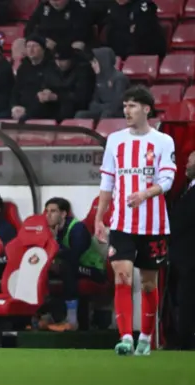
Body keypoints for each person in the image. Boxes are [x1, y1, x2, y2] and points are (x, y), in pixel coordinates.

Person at [95, 85, 176, 356]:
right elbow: (107, 181)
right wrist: (99, 217)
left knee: (149, 283)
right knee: (122, 277)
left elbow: (167, 180)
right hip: (121, 223)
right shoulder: (115, 140)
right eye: (125, 105)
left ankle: (146, 337)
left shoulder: (164, 141)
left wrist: (145, 193)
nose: (126, 110)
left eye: (132, 105)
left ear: (146, 109)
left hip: (153, 225)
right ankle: (126, 337)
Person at [44, 197, 106, 331]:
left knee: (67, 267)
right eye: (46, 211)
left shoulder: (77, 228)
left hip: (93, 270)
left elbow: (74, 255)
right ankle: (46, 314)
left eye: (53, 211)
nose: (48, 215)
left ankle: (72, 320)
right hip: (73, 267)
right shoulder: (49, 230)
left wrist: (55, 244)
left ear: (63, 214)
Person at [169, 151, 195, 349]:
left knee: (187, 299)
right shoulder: (185, 189)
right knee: (182, 298)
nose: (185, 165)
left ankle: (186, 341)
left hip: (190, 258)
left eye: (189, 161)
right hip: (181, 258)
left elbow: (180, 222)